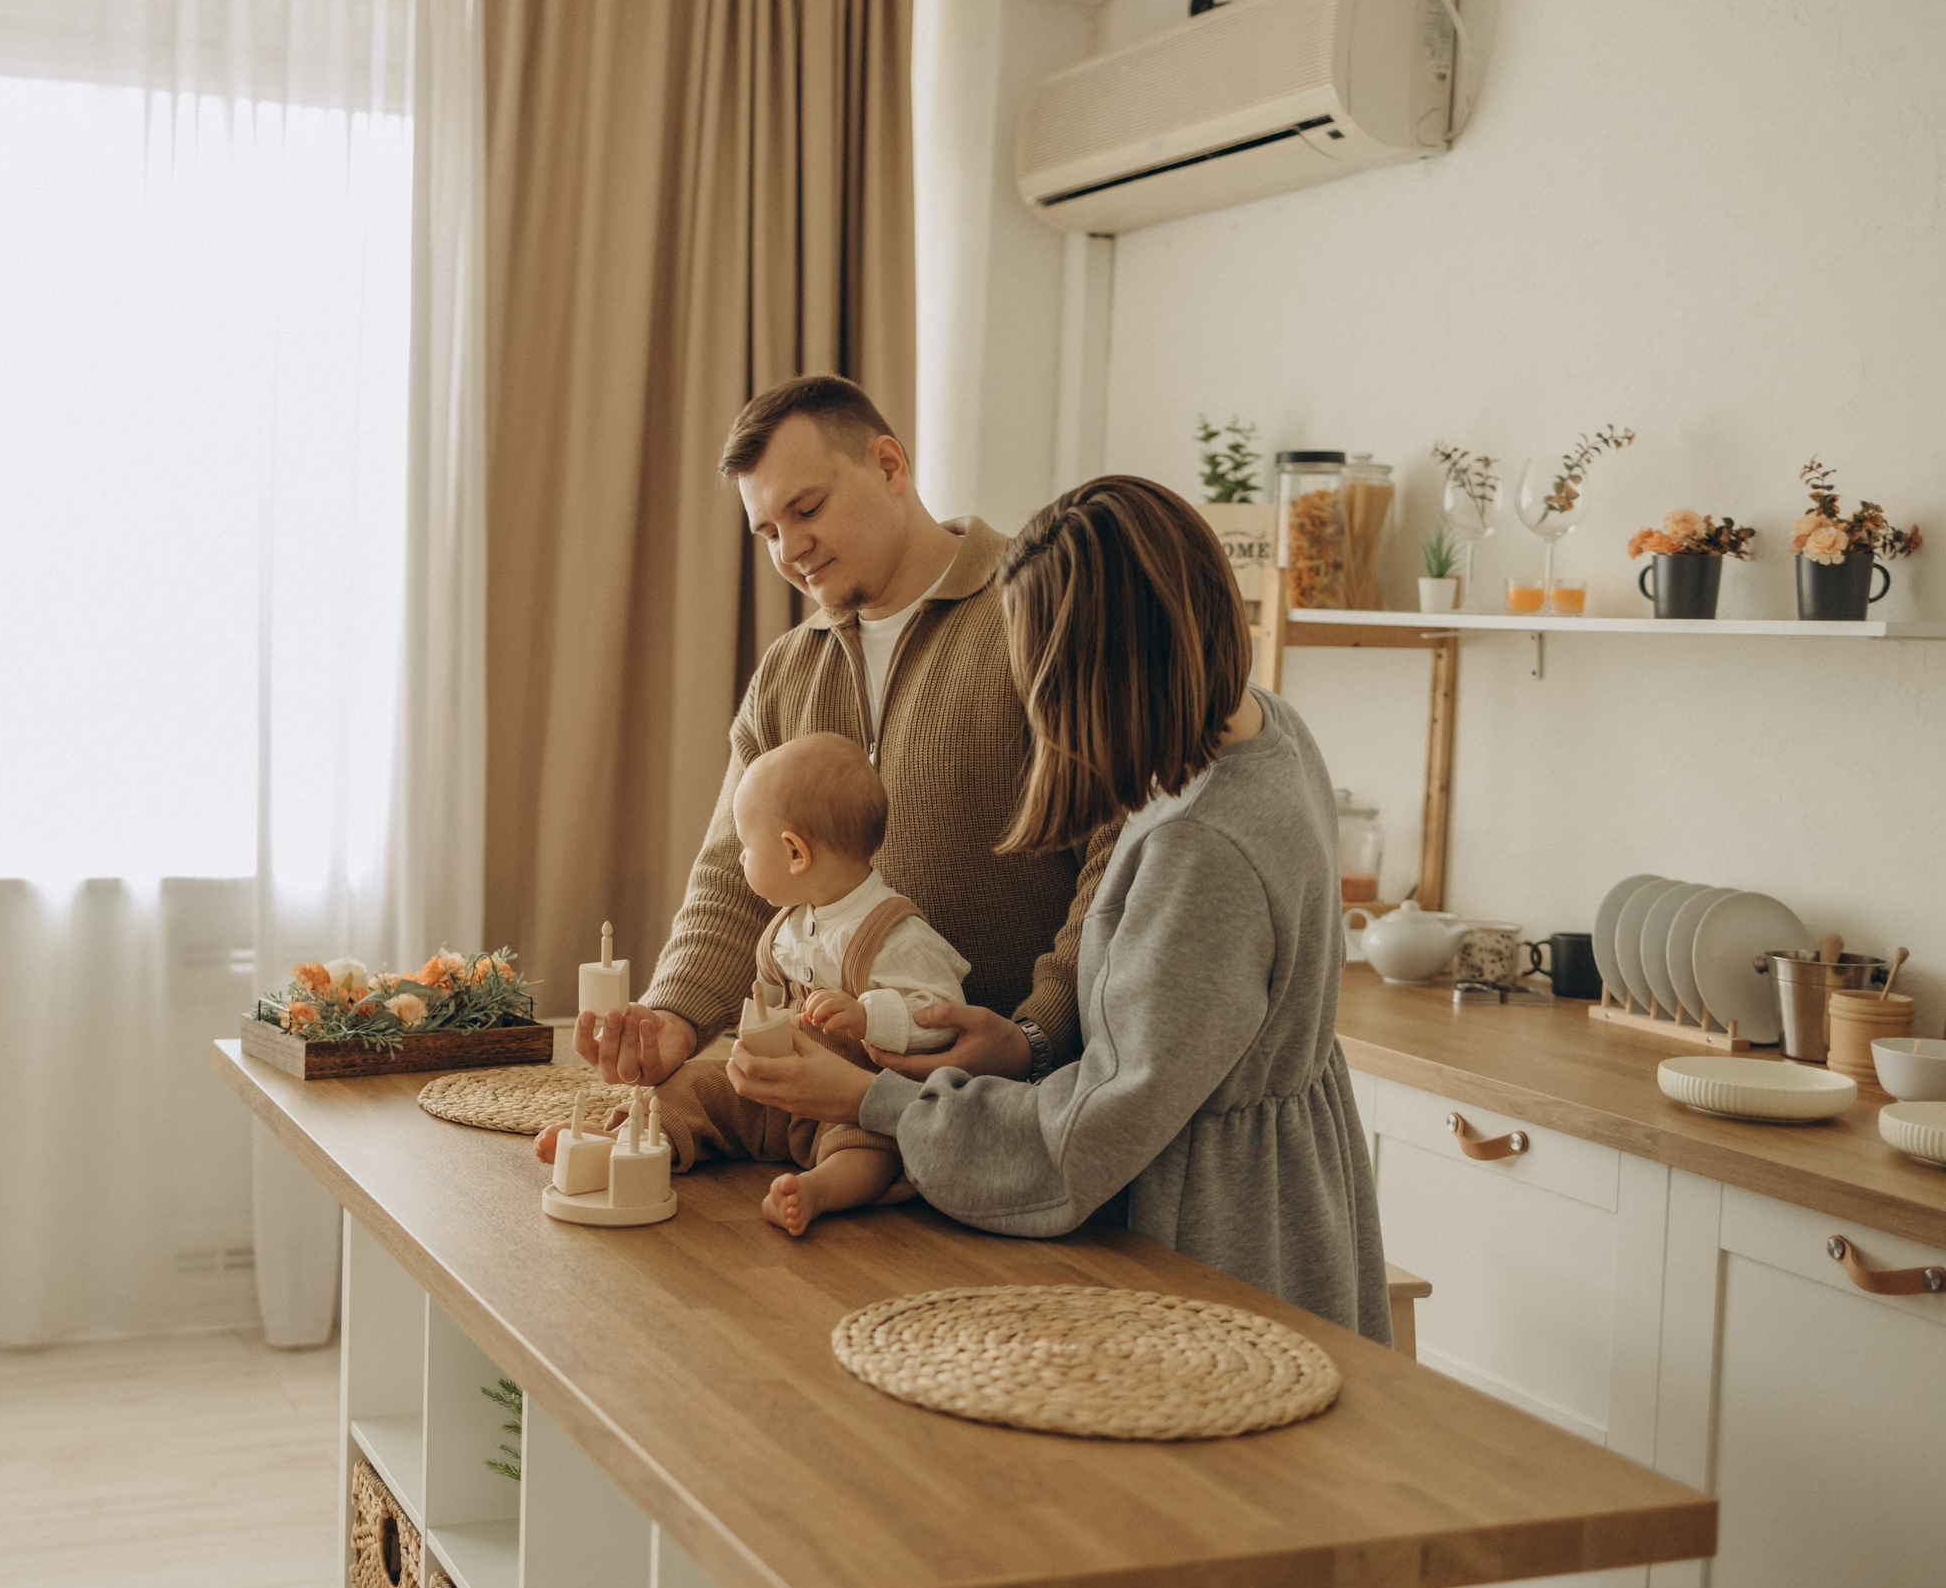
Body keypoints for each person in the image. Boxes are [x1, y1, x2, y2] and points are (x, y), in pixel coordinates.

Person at [720, 474, 1393, 1350]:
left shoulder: (1202, 851)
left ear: (1100, 670)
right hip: (1278, 1200)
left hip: (1207, 1251)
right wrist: (1023, 1045)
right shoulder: (1263, 728)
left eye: (1038, 678)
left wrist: (873, 1099)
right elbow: (1164, 1045)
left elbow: (1086, 1142)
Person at [580, 376, 1111, 1099]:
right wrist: (674, 1011)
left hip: (1013, 1112)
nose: (791, 549)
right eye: (769, 532)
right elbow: (734, 876)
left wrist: (1039, 1033)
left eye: (807, 509)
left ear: (890, 466)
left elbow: (1118, 864)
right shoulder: (787, 670)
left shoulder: (1042, 615)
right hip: (826, 1113)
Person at [537, 733, 970, 1235]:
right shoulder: (788, 926)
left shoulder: (894, 933)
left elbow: (942, 1015)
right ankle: (632, 1140)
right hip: (774, 1092)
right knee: (694, 1085)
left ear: (794, 853)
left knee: (872, 1147)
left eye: (745, 846)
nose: (739, 859)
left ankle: (819, 1191)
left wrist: (871, 1016)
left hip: (850, 1099)